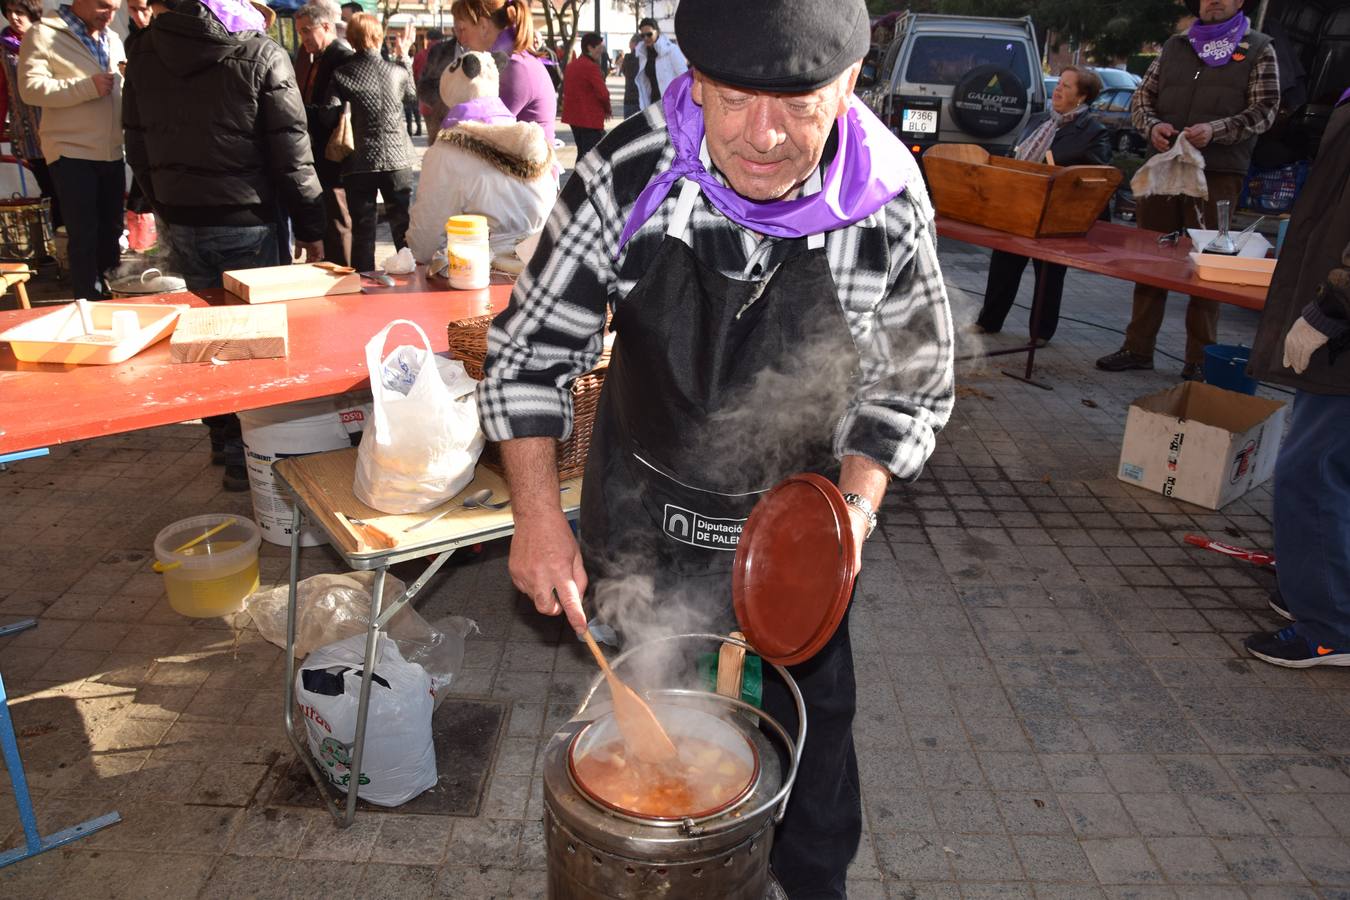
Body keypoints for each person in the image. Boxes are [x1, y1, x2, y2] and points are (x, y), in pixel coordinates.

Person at [478, 0, 953, 895]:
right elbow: (530, 355)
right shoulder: (629, 172)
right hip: (642, 523)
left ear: (850, 84)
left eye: (799, 103)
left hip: (793, 548)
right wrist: (537, 517)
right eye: (733, 99)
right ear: (692, 79)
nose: (763, 136)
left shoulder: (886, 201)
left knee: (813, 787)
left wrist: (844, 525)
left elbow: (910, 387)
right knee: (645, 771)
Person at [123, 0, 325, 492]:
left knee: (202, 336)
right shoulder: (261, 52)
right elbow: (292, 153)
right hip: (248, 220)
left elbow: (137, 143)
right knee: (250, 341)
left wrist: (163, 202)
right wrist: (314, 226)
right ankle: (247, 452)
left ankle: (224, 438)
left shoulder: (146, 50)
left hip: (183, 215)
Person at [1096, 0, 1279, 381]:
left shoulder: (1260, 47)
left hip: (1220, 171)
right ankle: (1137, 348)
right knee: (1151, 257)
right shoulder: (1176, 45)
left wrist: (1217, 130)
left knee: (1211, 266)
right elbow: (1141, 98)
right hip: (1164, 167)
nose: (1215, 0)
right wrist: (1152, 127)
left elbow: (1266, 110)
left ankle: (1200, 358)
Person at [1242, 88, 1350, 668]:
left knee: (1312, 475)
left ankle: (1333, 626)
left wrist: (1334, 306)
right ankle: (1325, 588)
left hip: (1344, 336)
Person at [972, 65, 1110, 345]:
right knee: (1003, 266)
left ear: (1082, 97)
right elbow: (1014, 154)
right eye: (1058, 84)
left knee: (1048, 274)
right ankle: (989, 321)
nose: (1057, 90)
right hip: (1018, 204)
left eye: (1067, 86)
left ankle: (1040, 333)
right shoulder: (1037, 120)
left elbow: (1097, 175)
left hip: (1055, 213)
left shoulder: (1094, 132)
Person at [18, 0, 126, 301]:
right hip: (70, 151)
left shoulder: (113, 38)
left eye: (116, 8)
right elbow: (29, 88)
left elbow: (117, 88)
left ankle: (112, 296)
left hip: (112, 150)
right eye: (105, 6)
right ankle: (88, 306)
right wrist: (86, 87)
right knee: (84, 234)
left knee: (112, 232)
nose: (111, 15)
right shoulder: (42, 33)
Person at [406, 50, 555, 264]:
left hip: (481, 275)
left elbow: (424, 244)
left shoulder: (446, 153)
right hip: (542, 268)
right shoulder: (531, 139)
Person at [329, 12, 414, 273]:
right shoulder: (396, 72)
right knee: (403, 227)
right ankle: (410, 276)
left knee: (364, 230)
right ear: (378, 36)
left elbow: (329, 112)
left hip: (360, 161)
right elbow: (411, 96)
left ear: (351, 38)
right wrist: (404, 57)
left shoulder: (342, 74)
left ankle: (364, 281)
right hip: (398, 159)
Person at [294, 0, 354, 267]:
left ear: (326, 26)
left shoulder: (340, 56)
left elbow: (332, 111)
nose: (304, 38)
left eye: (307, 30)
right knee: (328, 217)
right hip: (319, 150)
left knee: (337, 219)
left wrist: (296, 111)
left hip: (335, 153)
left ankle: (343, 276)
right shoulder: (315, 57)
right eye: (300, 32)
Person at [450, 0, 556, 144]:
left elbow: (483, 133)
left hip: (523, 164)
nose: (461, 40)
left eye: (463, 29)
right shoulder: (516, 60)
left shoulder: (515, 68)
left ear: (483, 26)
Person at [0, 0, 61, 233]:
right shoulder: (3, 47)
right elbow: (1, 92)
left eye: (19, 11)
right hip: (27, 132)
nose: (14, 17)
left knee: (68, 189)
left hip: (57, 128)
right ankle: (58, 244)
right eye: (8, 12)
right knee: (49, 190)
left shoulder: (51, 40)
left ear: (32, 12)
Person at [560, 32, 609, 161]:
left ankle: (578, 180)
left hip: (574, 118)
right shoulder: (591, 67)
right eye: (599, 47)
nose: (601, 51)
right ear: (589, 48)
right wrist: (607, 110)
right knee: (590, 157)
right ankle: (581, 181)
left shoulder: (571, 66)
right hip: (589, 118)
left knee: (582, 152)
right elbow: (603, 93)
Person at [632, 16, 685, 110]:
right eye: (642, 36)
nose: (646, 38)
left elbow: (684, 78)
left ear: (657, 32)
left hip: (672, 105)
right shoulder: (643, 54)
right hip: (652, 105)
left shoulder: (671, 50)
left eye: (649, 34)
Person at [384, 26, 420, 136]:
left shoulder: (399, 61)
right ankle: (412, 128)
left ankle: (415, 128)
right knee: (413, 110)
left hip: (410, 88)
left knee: (410, 110)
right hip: (414, 88)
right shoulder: (416, 58)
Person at [620, 33, 639, 118]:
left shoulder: (628, 58)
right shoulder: (643, 58)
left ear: (634, 44)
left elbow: (624, 71)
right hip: (640, 98)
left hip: (628, 97)